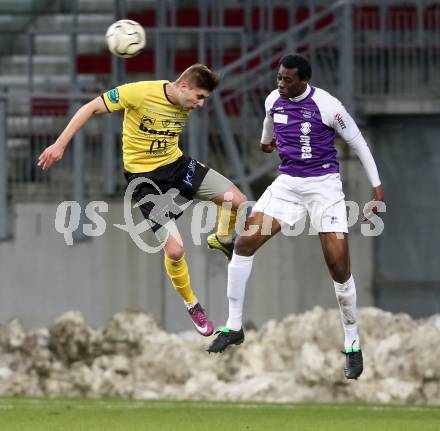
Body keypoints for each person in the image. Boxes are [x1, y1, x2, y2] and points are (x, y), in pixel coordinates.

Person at [207, 54, 384, 380]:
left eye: (287, 79)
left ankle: (352, 343)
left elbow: (358, 143)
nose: (280, 83)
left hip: (324, 189)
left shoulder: (329, 106)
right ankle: (233, 326)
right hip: (287, 185)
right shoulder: (273, 100)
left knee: (339, 268)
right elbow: (267, 130)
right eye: (278, 77)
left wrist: (377, 187)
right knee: (244, 243)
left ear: (304, 80)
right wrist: (265, 145)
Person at [38, 64, 246, 337]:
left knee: (238, 200)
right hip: (147, 182)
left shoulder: (185, 102)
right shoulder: (138, 93)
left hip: (178, 166)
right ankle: (192, 304)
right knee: (174, 251)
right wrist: (60, 143)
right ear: (183, 87)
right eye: (199, 97)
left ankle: (220, 237)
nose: (200, 104)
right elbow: (90, 108)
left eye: (204, 99)